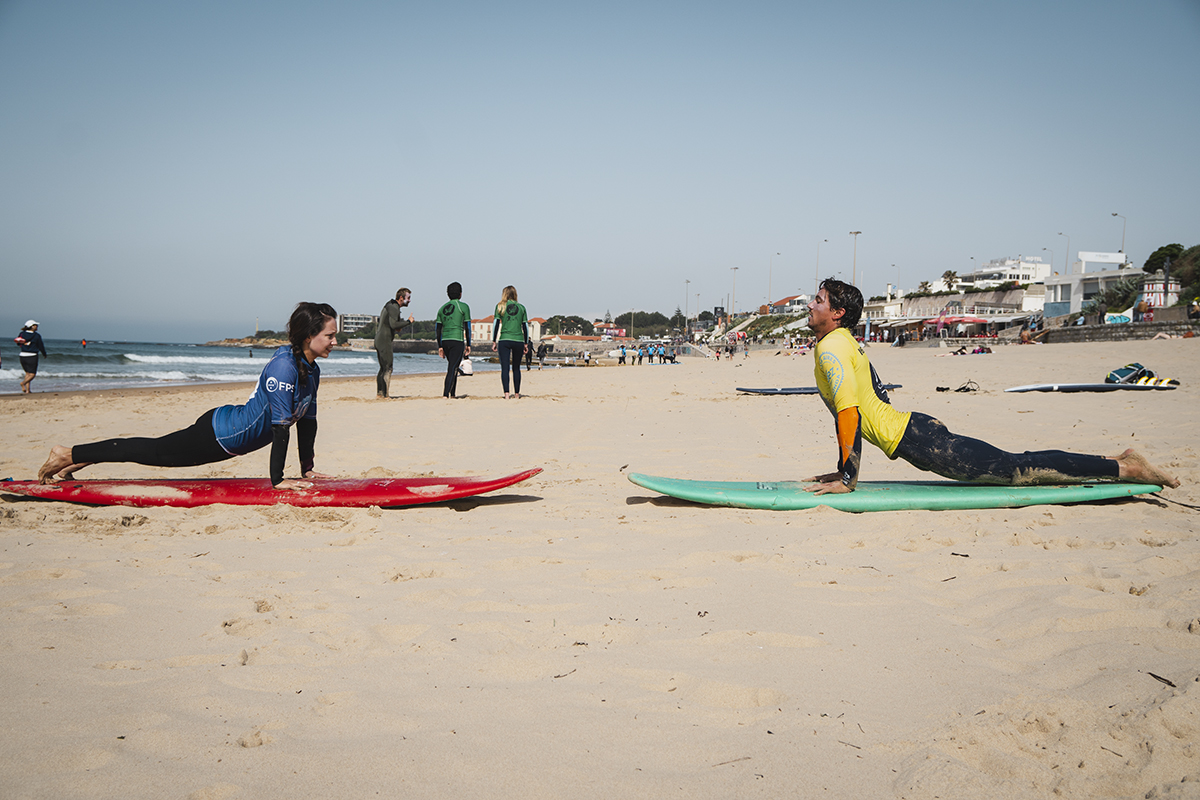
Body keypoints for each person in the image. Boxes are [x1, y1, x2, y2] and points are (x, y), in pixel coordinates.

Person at [803, 278, 1178, 496]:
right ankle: (1115, 462)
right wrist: (842, 470)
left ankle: (1127, 468)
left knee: (1019, 471)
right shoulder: (844, 341)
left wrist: (847, 478)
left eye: (818, 300)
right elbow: (864, 402)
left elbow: (849, 413)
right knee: (1021, 461)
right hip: (915, 431)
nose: (810, 304)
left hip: (919, 440)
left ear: (837, 313)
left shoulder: (832, 349)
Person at [38, 303, 339, 489]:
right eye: (330, 335)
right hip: (221, 434)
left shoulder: (311, 371)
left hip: (228, 435)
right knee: (153, 453)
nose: (335, 341)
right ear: (307, 336)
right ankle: (68, 453)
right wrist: (278, 480)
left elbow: (307, 423)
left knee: (152, 451)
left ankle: (80, 459)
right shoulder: (283, 369)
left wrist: (307, 469)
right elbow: (280, 427)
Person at [375, 287, 415, 398]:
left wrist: (399, 325)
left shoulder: (390, 305)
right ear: (401, 298)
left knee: (383, 368)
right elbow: (394, 325)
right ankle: (385, 394)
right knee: (388, 367)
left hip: (379, 339)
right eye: (408, 298)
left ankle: (380, 394)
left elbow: (393, 325)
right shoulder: (394, 307)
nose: (410, 300)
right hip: (384, 340)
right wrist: (408, 322)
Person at [491, 285, 530, 399]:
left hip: (504, 340)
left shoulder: (500, 307)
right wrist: (526, 343)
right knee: (516, 368)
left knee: (505, 368)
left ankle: (507, 394)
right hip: (518, 340)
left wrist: (494, 341)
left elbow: (496, 325)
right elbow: (525, 327)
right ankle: (517, 394)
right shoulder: (522, 308)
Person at [435, 282, 471, 399]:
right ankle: (445, 394)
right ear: (460, 294)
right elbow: (468, 327)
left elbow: (438, 329)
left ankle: (453, 394)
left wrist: (440, 346)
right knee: (452, 368)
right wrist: (469, 344)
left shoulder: (442, 308)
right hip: (457, 340)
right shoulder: (464, 307)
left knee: (453, 366)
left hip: (445, 341)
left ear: (448, 294)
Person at [15, 320, 48, 393]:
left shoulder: (22, 334)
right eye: (36, 325)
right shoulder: (37, 335)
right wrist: (44, 353)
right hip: (32, 355)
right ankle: (23, 383)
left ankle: (28, 390)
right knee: (32, 374)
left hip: (22, 355)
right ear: (32, 326)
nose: (37, 327)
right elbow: (40, 346)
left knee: (27, 373)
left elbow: (18, 343)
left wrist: (24, 345)